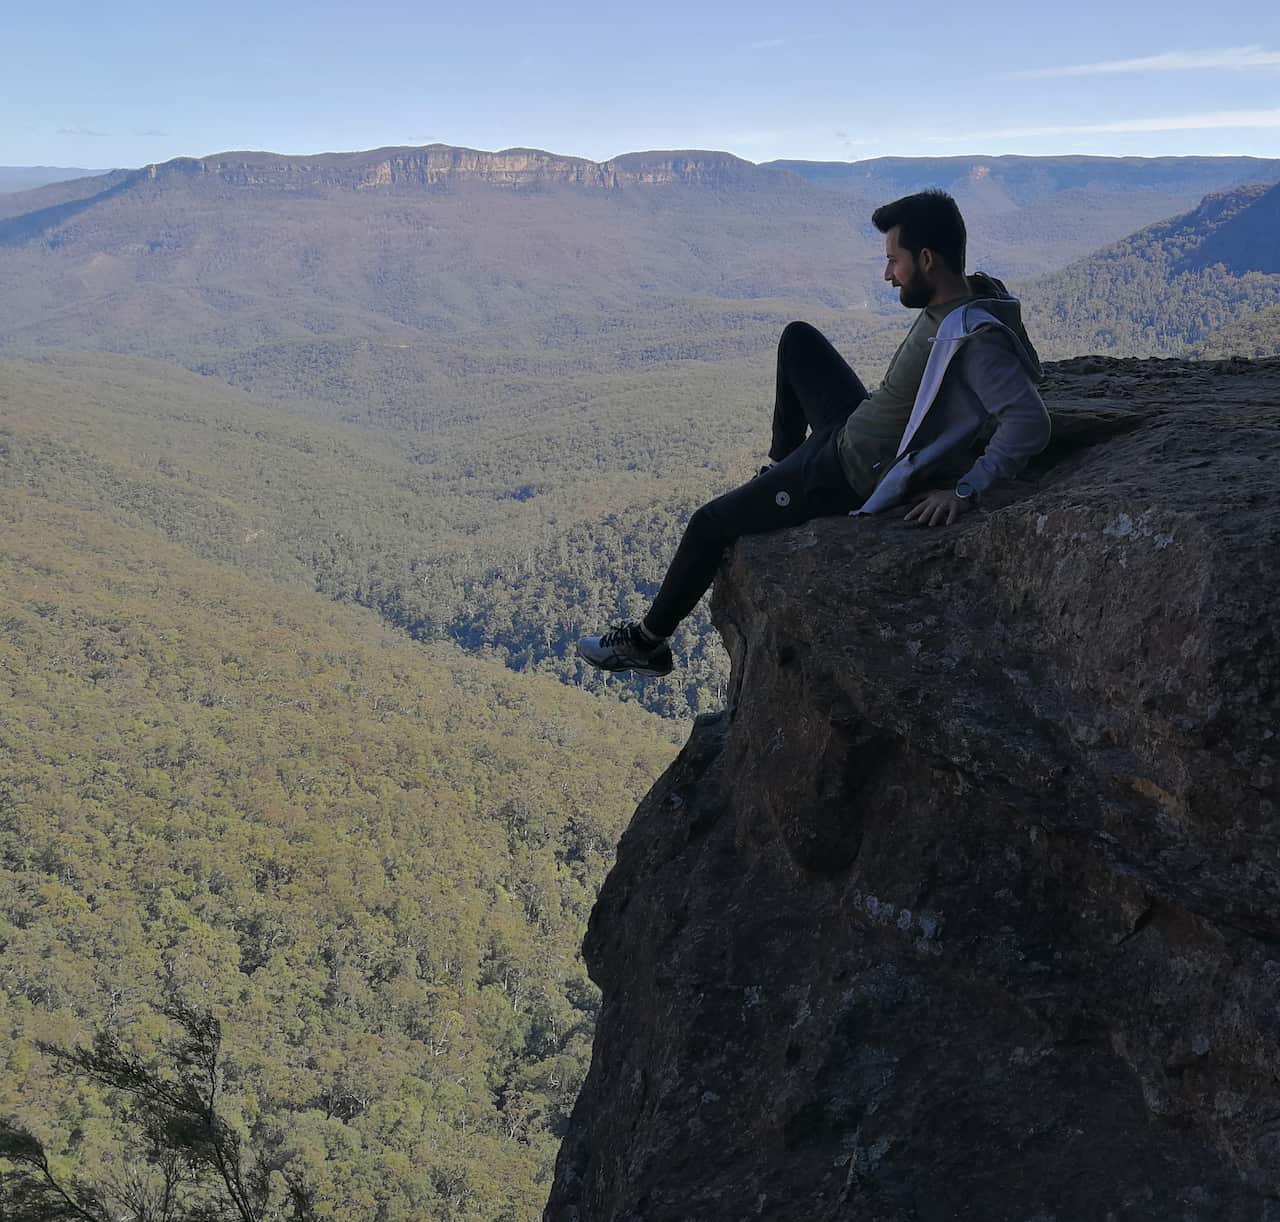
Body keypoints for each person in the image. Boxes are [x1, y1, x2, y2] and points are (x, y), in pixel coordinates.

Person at [576, 189, 1051, 678]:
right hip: (851, 425)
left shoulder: (974, 339)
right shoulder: (970, 295)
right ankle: (783, 465)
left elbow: (1029, 422)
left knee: (709, 523)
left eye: (894, 261)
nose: (888, 275)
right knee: (798, 338)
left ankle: (647, 644)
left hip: (846, 472)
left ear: (927, 259)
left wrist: (966, 489)